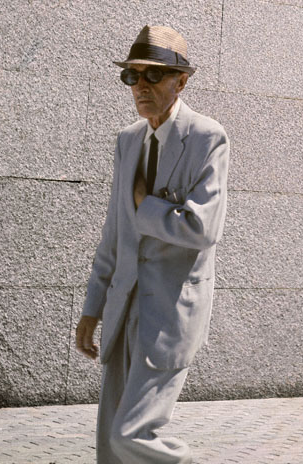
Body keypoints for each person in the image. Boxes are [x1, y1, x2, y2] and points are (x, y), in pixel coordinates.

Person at [75, 25, 230, 464]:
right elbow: (115, 234)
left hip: (170, 312)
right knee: (110, 444)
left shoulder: (207, 138)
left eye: (153, 76)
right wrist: (92, 308)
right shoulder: (128, 141)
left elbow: (203, 228)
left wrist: (147, 206)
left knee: (133, 435)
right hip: (124, 308)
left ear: (181, 81)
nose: (141, 86)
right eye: (132, 76)